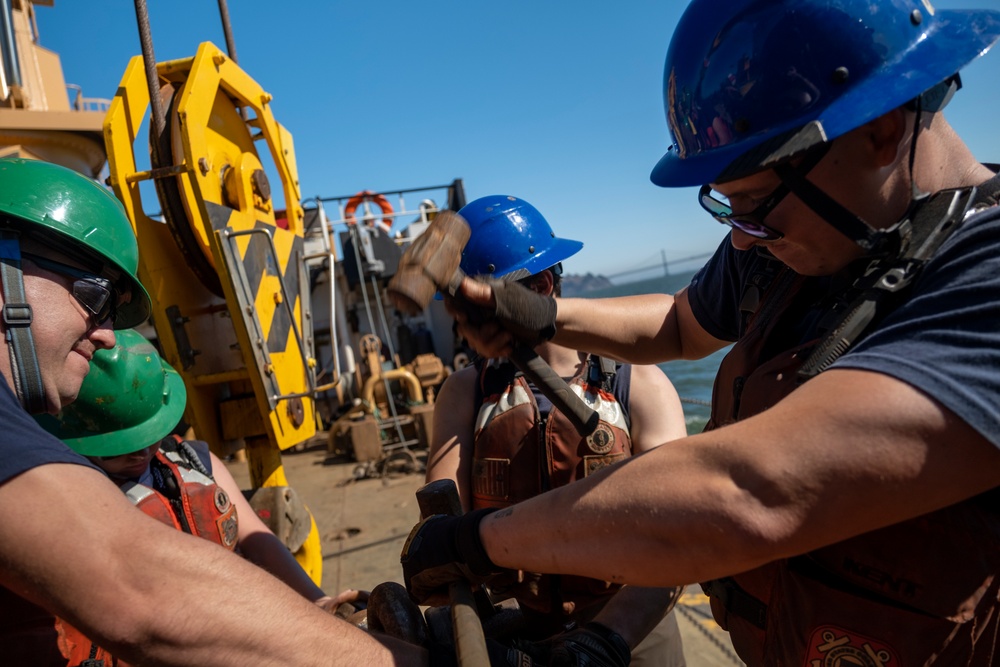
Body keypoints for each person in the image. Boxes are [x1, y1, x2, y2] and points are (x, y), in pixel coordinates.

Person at [401, 1, 1000, 664]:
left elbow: (753, 490)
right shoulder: (796, 240)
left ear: (882, 130)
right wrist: (542, 315)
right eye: (725, 206)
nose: (742, 236)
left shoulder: (985, 279)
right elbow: (680, 323)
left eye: (753, 202)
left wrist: (475, 539)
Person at [0, 157, 423, 665]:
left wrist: (316, 605)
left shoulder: (192, 464)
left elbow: (255, 544)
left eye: (112, 310)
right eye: (92, 295)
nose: (107, 331)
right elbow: (137, 588)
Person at [425, 195, 688, 666]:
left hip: (634, 628)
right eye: (458, 311)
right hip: (514, 632)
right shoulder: (465, 394)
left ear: (543, 285)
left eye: (476, 309)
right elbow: (443, 527)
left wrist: (604, 641)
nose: (464, 328)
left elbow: (680, 534)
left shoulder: (640, 383)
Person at [32, 328, 367, 664]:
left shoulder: (197, 462)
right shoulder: (68, 492)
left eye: (150, 436)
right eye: (120, 449)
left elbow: (256, 537)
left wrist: (315, 599)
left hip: (234, 633)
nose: (141, 452)